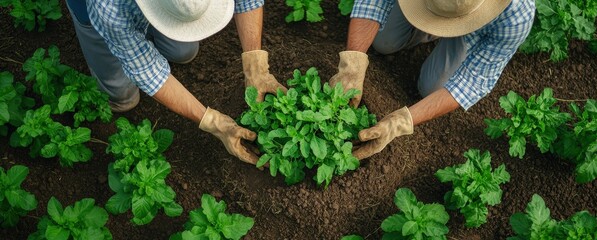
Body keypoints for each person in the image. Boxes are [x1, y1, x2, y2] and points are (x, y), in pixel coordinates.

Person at [64, 0, 283, 164]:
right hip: (95, 13)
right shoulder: (107, 7)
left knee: (183, 51)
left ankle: (151, 31)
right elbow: (147, 71)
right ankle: (110, 49)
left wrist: (256, 67)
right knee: (123, 98)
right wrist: (215, 124)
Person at [328, 0, 535, 159]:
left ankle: (448, 31)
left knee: (432, 88)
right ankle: (427, 25)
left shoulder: (516, 13)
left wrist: (400, 121)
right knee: (383, 42)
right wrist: (352, 64)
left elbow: (471, 82)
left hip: (474, 33)